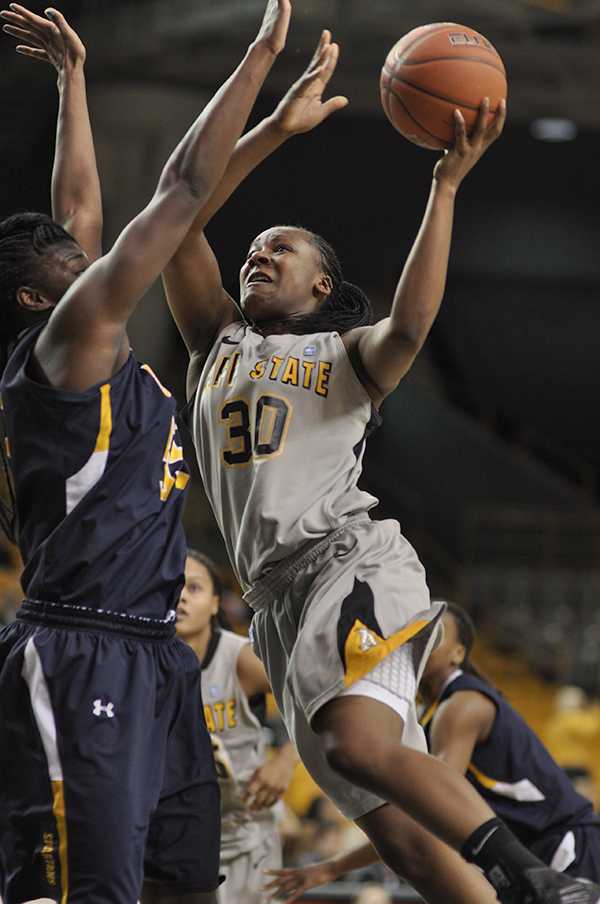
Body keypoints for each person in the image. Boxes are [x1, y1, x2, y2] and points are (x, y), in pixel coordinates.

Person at [160, 22, 600, 903]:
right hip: (281, 604)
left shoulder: (343, 357)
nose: (260, 251)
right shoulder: (215, 340)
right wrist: (272, 131)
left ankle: (540, 883)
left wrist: (443, 188)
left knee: (366, 749)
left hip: (350, 566)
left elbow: (411, 323)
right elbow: (181, 208)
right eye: (256, 245)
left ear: (321, 286)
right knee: (396, 835)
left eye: (282, 248)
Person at [0, 2, 294, 902]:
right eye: (67, 263)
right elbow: (176, 192)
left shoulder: (85, 324)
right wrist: (257, 61)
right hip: (82, 648)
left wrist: (71, 81)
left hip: (153, 652)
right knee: (90, 889)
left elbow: (80, 205)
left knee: (180, 883)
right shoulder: (71, 341)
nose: (85, 258)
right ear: (31, 300)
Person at [264, 604, 600, 902]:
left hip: (567, 843)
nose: (419, 639)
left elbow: (426, 816)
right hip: (528, 852)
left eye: (433, 634)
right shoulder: (425, 717)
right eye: (412, 630)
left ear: (457, 653)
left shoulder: (462, 705)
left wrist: (334, 867)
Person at [176, 548, 300, 904]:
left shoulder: (241, 658)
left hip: (244, 832)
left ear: (216, 603)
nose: (181, 596)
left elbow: (314, 700)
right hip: (176, 832)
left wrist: (285, 759)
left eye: (194, 588)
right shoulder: (144, 662)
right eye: (172, 587)